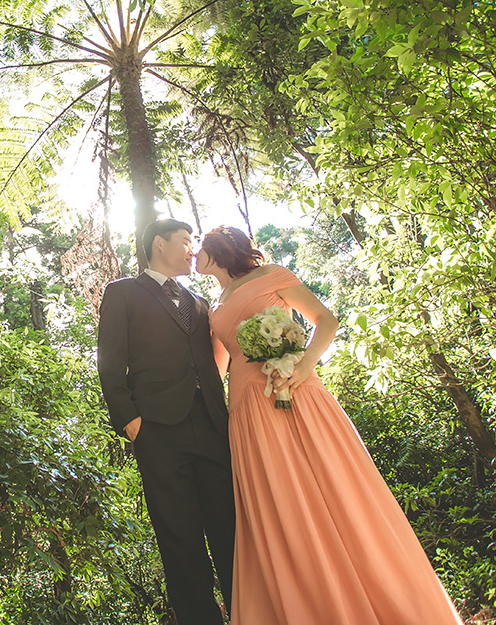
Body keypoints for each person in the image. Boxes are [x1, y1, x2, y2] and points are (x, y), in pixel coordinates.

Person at [196, 225, 464, 625]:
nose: (193, 255)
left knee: (334, 486)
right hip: (248, 411)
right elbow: (218, 367)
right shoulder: (213, 309)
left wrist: (304, 366)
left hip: (295, 389)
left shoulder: (273, 276)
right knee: (279, 503)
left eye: (198, 247)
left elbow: (326, 319)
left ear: (218, 250)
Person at [97, 219, 235, 624]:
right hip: (157, 430)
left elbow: (213, 362)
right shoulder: (121, 293)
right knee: (179, 536)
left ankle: (246, 612)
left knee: (231, 530)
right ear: (159, 243)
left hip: (212, 425)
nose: (192, 249)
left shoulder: (198, 301)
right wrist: (130, 420)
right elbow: (109, 361)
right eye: (186, 241)